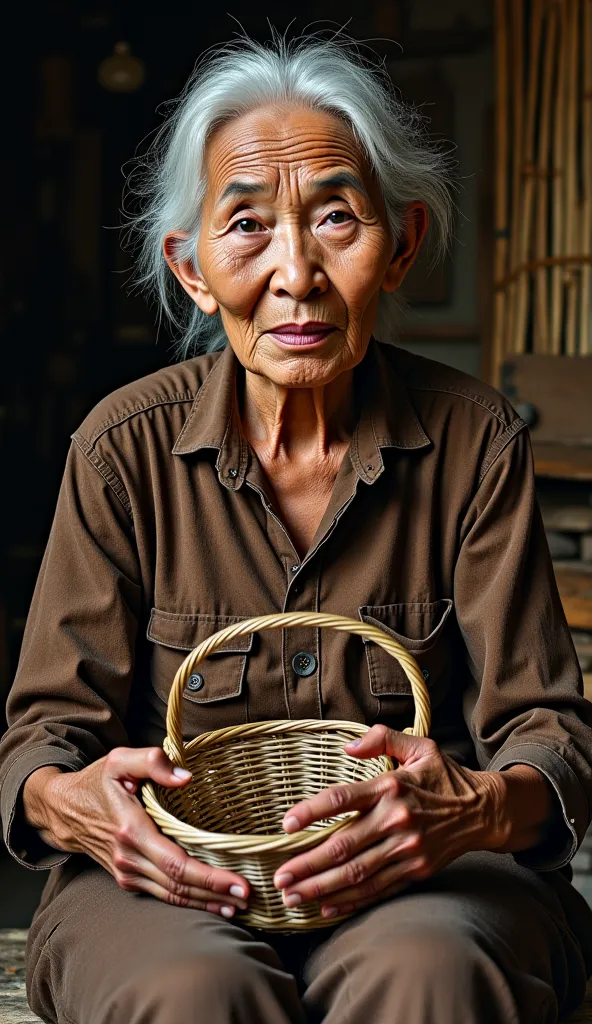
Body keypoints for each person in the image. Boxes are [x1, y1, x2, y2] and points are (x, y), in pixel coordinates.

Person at [1, 30, 592, 1024]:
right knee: (191, 991)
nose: (297, 272)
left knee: (428, 977)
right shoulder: (121, 451)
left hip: (421, 882)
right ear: (190, 270)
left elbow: (549, 732)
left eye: (334, 218)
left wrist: (472, 810)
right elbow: (41, 740)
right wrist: (70, 801)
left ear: (399, 243)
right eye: (245, 225)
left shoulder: (474, 440)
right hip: (176, 887)